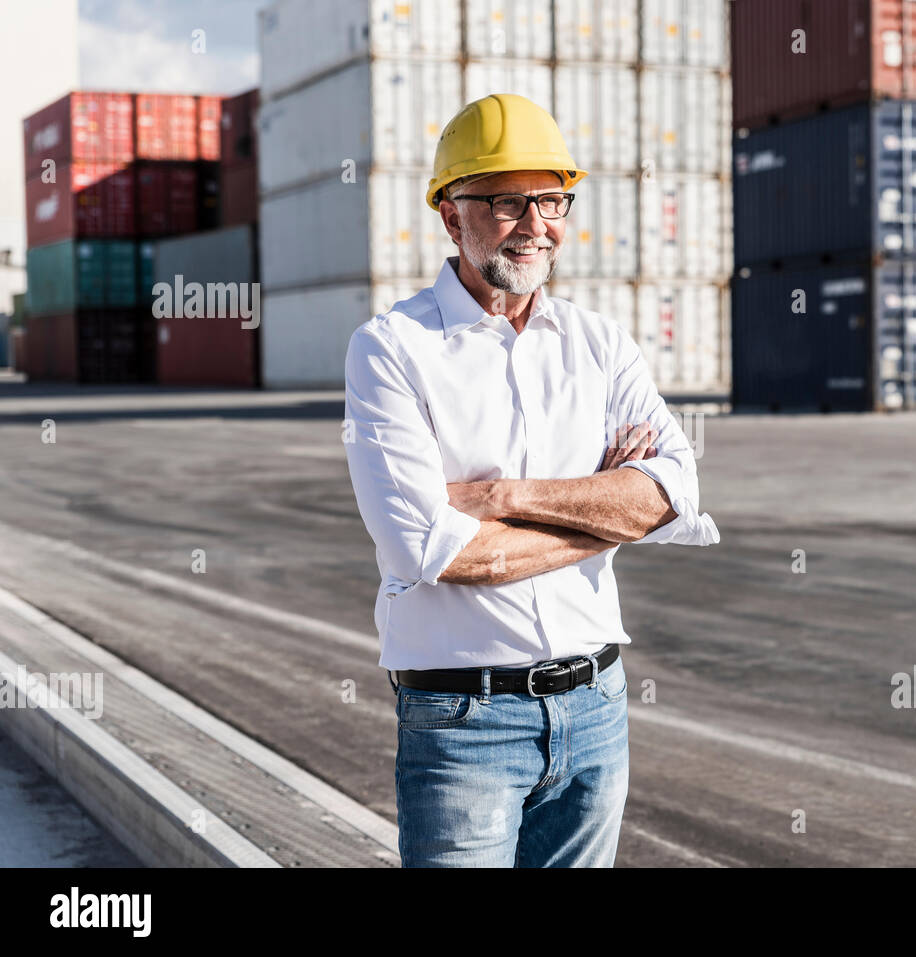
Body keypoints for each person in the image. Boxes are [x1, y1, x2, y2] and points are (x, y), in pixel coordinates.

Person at [342, 93, 720, 867]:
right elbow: (432, 550)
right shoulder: (390, 350)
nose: (536, 224)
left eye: (551, 200)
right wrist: (602, 504)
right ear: (452, 217)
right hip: (464, 718)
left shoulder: (600, 343)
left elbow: (673, 491)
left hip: (597, 706)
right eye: (507, 202)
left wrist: (505, 498)